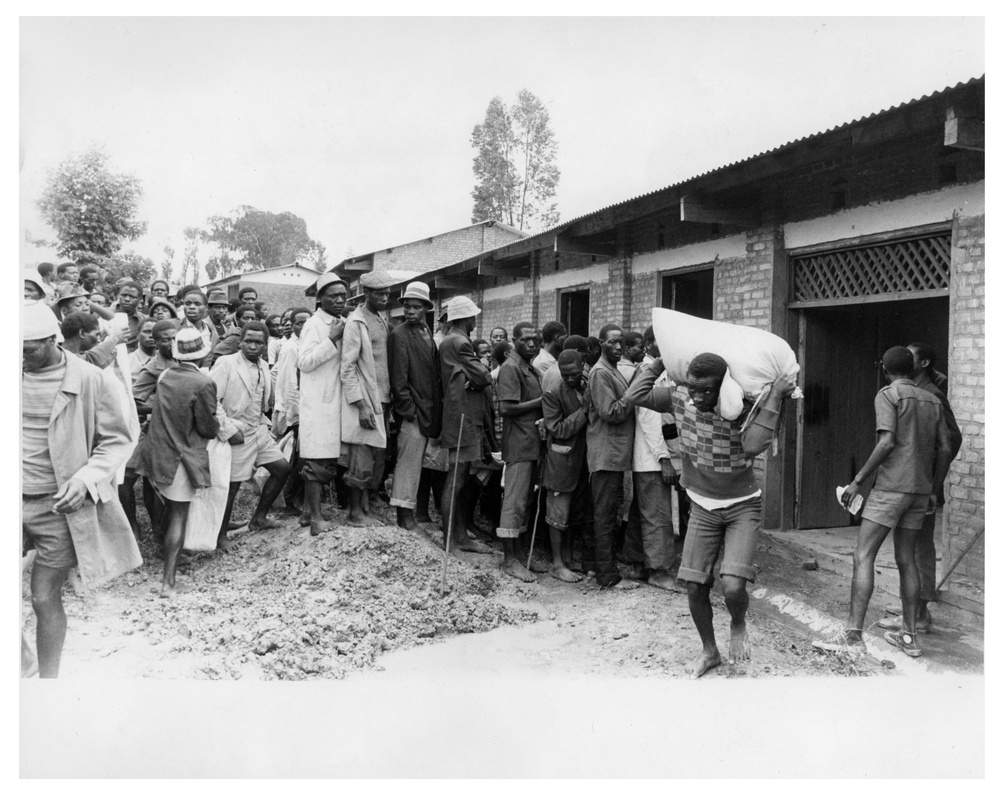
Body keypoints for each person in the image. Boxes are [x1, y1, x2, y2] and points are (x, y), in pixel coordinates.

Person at [625, 352, 795, 677]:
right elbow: (634, 395)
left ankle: (739, 623)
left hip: (742, 507)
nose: (697, 397)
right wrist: (662, 360)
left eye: (706, 391)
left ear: (724, 388)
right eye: (693, 388)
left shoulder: (741, 410)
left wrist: (774, 395)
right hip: (702, 507)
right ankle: (709, 651)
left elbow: (753, 445)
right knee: (693, 585)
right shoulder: (678, 398)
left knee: (732, 586)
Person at [21, 301, 141, 677]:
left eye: (28, 350)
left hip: (57, 506)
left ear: (53, 340)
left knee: (43, 597)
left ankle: (48, 684)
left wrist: (86, 478)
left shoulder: (93, 380)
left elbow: (117, 441)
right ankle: (21, 669)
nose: (20, 357)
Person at [813, 346, 951, 659]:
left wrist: (858, 480)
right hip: (919, 489)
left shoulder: (888, 394)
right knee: (907, 560)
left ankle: (852, 636)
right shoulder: (933, 399)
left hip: (891, 488)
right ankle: (909, 637)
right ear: (913, 368)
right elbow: (944, 447)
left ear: (885, 369)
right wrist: (934, 487)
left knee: (863, 555)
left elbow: (887, 441)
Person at [876, 343, 963, 634]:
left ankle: (920, 615)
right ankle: (912, 607)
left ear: (923, 362)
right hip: (918, 485)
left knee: (918, 549)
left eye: (909, 357)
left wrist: (934, 484)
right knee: (910, 550)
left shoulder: (932, 395)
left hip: (922, 486)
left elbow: (952, 441)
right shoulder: (917, 389)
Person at [140, 326, 220, 596]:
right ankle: (168, 582)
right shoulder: (204, 383)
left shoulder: (164, 375)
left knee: (169, 510)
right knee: (179, 516)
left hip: (157, 455)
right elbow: (208, 429)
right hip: (180, 457)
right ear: (203, 355)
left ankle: (167, 576)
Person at [210, 322, 290, 548]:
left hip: (259, 429)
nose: (253, 346)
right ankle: (220, 536)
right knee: (232, 486)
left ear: (266, 345)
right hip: (237, 431)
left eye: (258, 342)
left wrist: (264, 424)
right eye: (248, 341)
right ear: (240, 342)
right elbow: (211, 400)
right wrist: (227, 430)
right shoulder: (226, 363)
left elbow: (263, 399)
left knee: (282, 468)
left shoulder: (264, 365)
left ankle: (259, 518)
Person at [623, 327, 683, 592]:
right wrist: (665, 459)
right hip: (651, 459)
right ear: (649, 345)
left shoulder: (656, 372)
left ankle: (637, 564)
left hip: (648, 459)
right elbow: (649, 420)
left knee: (642, 512)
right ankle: (658, 571)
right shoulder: (650, 373)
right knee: (658, 515)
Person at [438, 295, 494, 556]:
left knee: (460, 478)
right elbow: (483, 377)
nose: (475, 320)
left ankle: (459, 536)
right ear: (464, 318)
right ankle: (450, 541)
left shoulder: (451, 340)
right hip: (462, 416)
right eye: (472, 316)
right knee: (457, 480)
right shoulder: (460, 342)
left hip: (460, 414)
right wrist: (478, 373)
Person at [387, 281, 442, 533]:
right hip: (412, 412)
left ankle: (410, 516)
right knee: (407, 463)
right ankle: (405, 518)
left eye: (416, 307)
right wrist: (408, 412)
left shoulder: (426, 332)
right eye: (407, 307)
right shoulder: (399, 334)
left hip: (426, 410)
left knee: (417, 464)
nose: (410, 311)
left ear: (426, 309)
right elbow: (399, 380)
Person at [297, 274, 349, 536]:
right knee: (317, 460)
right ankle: (317, 519)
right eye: (333, 296)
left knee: (324, 456)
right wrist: (331, 340)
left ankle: (308, 513)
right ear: (320, 298)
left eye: (343, 295)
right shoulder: (314, 324)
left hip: (331, 401)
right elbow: (304, 362)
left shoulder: (339, 321)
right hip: (318, 403)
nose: (339, 300)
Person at [341, 271, 394, 526]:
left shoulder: (380, 319)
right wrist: (360, 404)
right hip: (366, 399)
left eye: (387, 293)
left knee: (375, 457)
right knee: (361, 456)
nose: (384, 298)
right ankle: (354, 513)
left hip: (383, 399)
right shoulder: (356, 321)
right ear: (367, 294)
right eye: (379, 294)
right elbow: (347, 367)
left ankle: (365, 507)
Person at [585, 324, 634, 588]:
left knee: (608, 513)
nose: (618, 347)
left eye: (621, 343)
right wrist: (634, 396)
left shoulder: (611, 370)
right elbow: (610, 412)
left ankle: (602, 568)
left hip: (613, 454)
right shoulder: (600, 373)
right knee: (604, 515)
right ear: (601, 343)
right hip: (605, 454)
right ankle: (606, 576)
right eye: (613, 342)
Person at [496, 321, 546, 581]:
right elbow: (506, 408)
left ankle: (521, 555)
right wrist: (542, 401)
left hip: (531, 442)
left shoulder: (529, 368)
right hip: (518, 443)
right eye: (526, 339)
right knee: (514, 501)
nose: (532, 343)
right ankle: (509, 560)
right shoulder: (510, 368)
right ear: (514, 340)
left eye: (536, 339)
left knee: (525, 501)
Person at [541, 349, 595, 582]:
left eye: (574, 374)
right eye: (565, 374)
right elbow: (559, 429)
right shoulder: (553, 393)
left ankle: (569, 557)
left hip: (584, 460)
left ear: (583, 365)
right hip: (561, 462)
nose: (570, 378)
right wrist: (584, 411)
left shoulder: (589, 386)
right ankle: (557, 563)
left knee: (576, 512)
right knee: (557, 513)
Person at [273, 307, 312, 513]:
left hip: (306, 410)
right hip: (295, 411)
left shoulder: (307, 344)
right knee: (299, 457)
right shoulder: (291, 348)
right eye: (299, 323)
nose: (304, 327)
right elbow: (290, 385)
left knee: (301, 456)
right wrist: (297, 416)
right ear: (293, 326)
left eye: (307, 322)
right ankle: (288, 498)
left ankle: (293, 497)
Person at [59, 312, 125, 369]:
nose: (99, 340)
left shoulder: (60, 353)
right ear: (81, 333)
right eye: (96, 335)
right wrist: (114, 340)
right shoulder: (64, 359)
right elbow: (92, 360)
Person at [114, 281, 147, 353]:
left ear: (140, 299)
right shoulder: (105, 316)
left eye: (132, 297)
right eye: (123, 295)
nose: (127, 299)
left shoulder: (144, 320)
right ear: (118, 296)